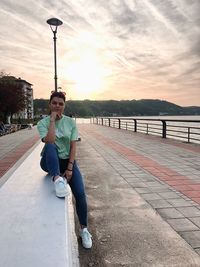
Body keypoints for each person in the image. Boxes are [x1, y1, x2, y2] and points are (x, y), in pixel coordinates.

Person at [37, 91, 92, 249]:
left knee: (80, 193)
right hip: (48, 161)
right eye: (54, 103)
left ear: (64, 106)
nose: (57, 106)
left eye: (61, 104)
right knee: (50, 145)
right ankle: (56, 179)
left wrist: (69, 168)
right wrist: (52, 121)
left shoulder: (71, 122)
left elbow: (73, 146)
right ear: (50, 104)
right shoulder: (43, 123)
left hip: (67, 161)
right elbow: (49, 140)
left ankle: (84, 230)